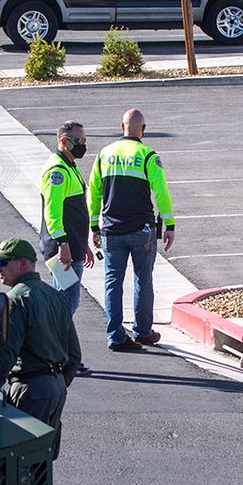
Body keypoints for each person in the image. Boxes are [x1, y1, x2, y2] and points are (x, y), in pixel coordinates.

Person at [87, 108, 175, 351]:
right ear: (143, 130)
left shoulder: (105, 154)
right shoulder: (148, 155)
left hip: (111, 230)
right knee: (143, 280)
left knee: (112, 281)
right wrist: (170, 224)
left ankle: (115, 335)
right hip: (141, 230)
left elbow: (93, 192)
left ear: (121, 126)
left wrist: (94, 226)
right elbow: (161, 193)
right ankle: (143, 332)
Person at [0, 238, 82, 450]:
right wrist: (59, 382)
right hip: (56, 388)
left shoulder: (15, 299)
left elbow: (6, 352)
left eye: (3, 263)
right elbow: (74, 355)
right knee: (41, 460)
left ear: (23, 263)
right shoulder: (57, 297)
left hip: (31, 388)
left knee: (19, 459)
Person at [41, 119, 94, 377]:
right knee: (65, 303)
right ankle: (58, 356)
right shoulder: (57, 171)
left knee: (65, 302)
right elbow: (53, 213)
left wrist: (83, 244)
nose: (83, 145)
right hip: (61, 250)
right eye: (78, 141)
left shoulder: (69, 166)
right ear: (64, 141)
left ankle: (58, 354)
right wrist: (63, 245)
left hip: (72, 246)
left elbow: (76, 212)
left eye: (84, 141)